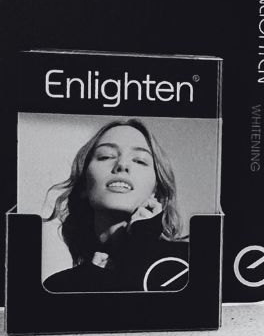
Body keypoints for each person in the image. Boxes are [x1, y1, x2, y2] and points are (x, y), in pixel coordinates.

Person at [43, 118, 189, 293]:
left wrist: (143, 245)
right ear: (83, 186)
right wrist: (93, 278)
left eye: (140, 160)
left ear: (155, 192)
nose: (122, 165)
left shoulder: (187, 263)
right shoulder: (60, 287)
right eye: (106, 156)